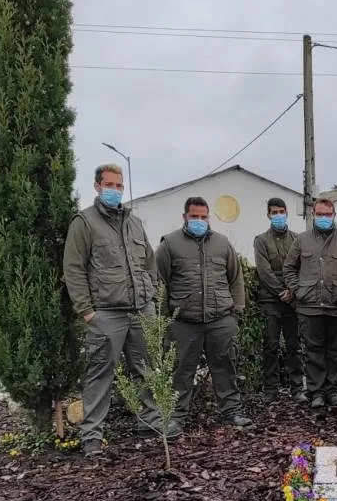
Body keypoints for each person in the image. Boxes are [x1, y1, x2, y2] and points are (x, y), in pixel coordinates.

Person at [63, 163, 179, 456]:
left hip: (142, 310)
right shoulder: (84, 222)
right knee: (100, 373)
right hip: (106, 313)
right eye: (109, 185)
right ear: (97, 187)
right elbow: (73, 269)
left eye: (119, 185)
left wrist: (151, 295)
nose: (115, 190)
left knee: (147, 369)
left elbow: (149, 262)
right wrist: (87, 311)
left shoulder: (134, 222)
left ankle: (150, 422)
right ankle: (92, 435)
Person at [156, 197, 252, 428]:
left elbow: (235, 278)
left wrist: (236, 311)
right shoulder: (169, 244)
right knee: (181, 369)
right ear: (185, 217)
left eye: (203, 217)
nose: (199, 221)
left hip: (220, 319)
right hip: (184, 323)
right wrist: (165, 319)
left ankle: (231, 412)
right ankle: (177, 417)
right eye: (194, 217)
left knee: (225, 366)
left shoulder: (222, 243)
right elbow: (160, 282)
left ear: (209, 217)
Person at [283, 198, 337, 408]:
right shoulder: (301, 240)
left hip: (336, 306)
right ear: (313, 214)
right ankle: (316, 393)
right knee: (313, 351)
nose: (324, 218)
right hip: (309, 306)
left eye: (328, 214)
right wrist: (298, 290)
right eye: (320, 214)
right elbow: (289, 268)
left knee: (334, 351)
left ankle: (333, 391)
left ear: (334, 215)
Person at [253, 197, 305, 404]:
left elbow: (302, 267)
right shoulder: (261, 240)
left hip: (293, 301)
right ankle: (271, 389)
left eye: (281, 211)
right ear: (268, 215)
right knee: (271, 345)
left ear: (287, 213)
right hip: (270, 300)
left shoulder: (297, 239)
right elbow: (264, 271)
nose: (278, 216)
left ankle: (297, 388)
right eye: (274, 212)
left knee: (295, 346)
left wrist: (293, 291)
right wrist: (281, 291)